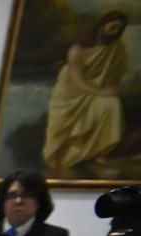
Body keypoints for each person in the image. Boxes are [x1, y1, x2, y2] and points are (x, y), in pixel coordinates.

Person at [44, 11, 131, 178]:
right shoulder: (77, 50)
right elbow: (79, 82)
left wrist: (113, 90)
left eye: (119, 29)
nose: (115, 32)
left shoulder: (116, 49)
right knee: (62, 128)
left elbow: (116, 76)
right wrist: (103, 92)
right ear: (101, 26)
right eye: (113, 27)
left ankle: (100, 150)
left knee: (112, 104)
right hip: (70, 95)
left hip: (97, 92)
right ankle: (58, 160)